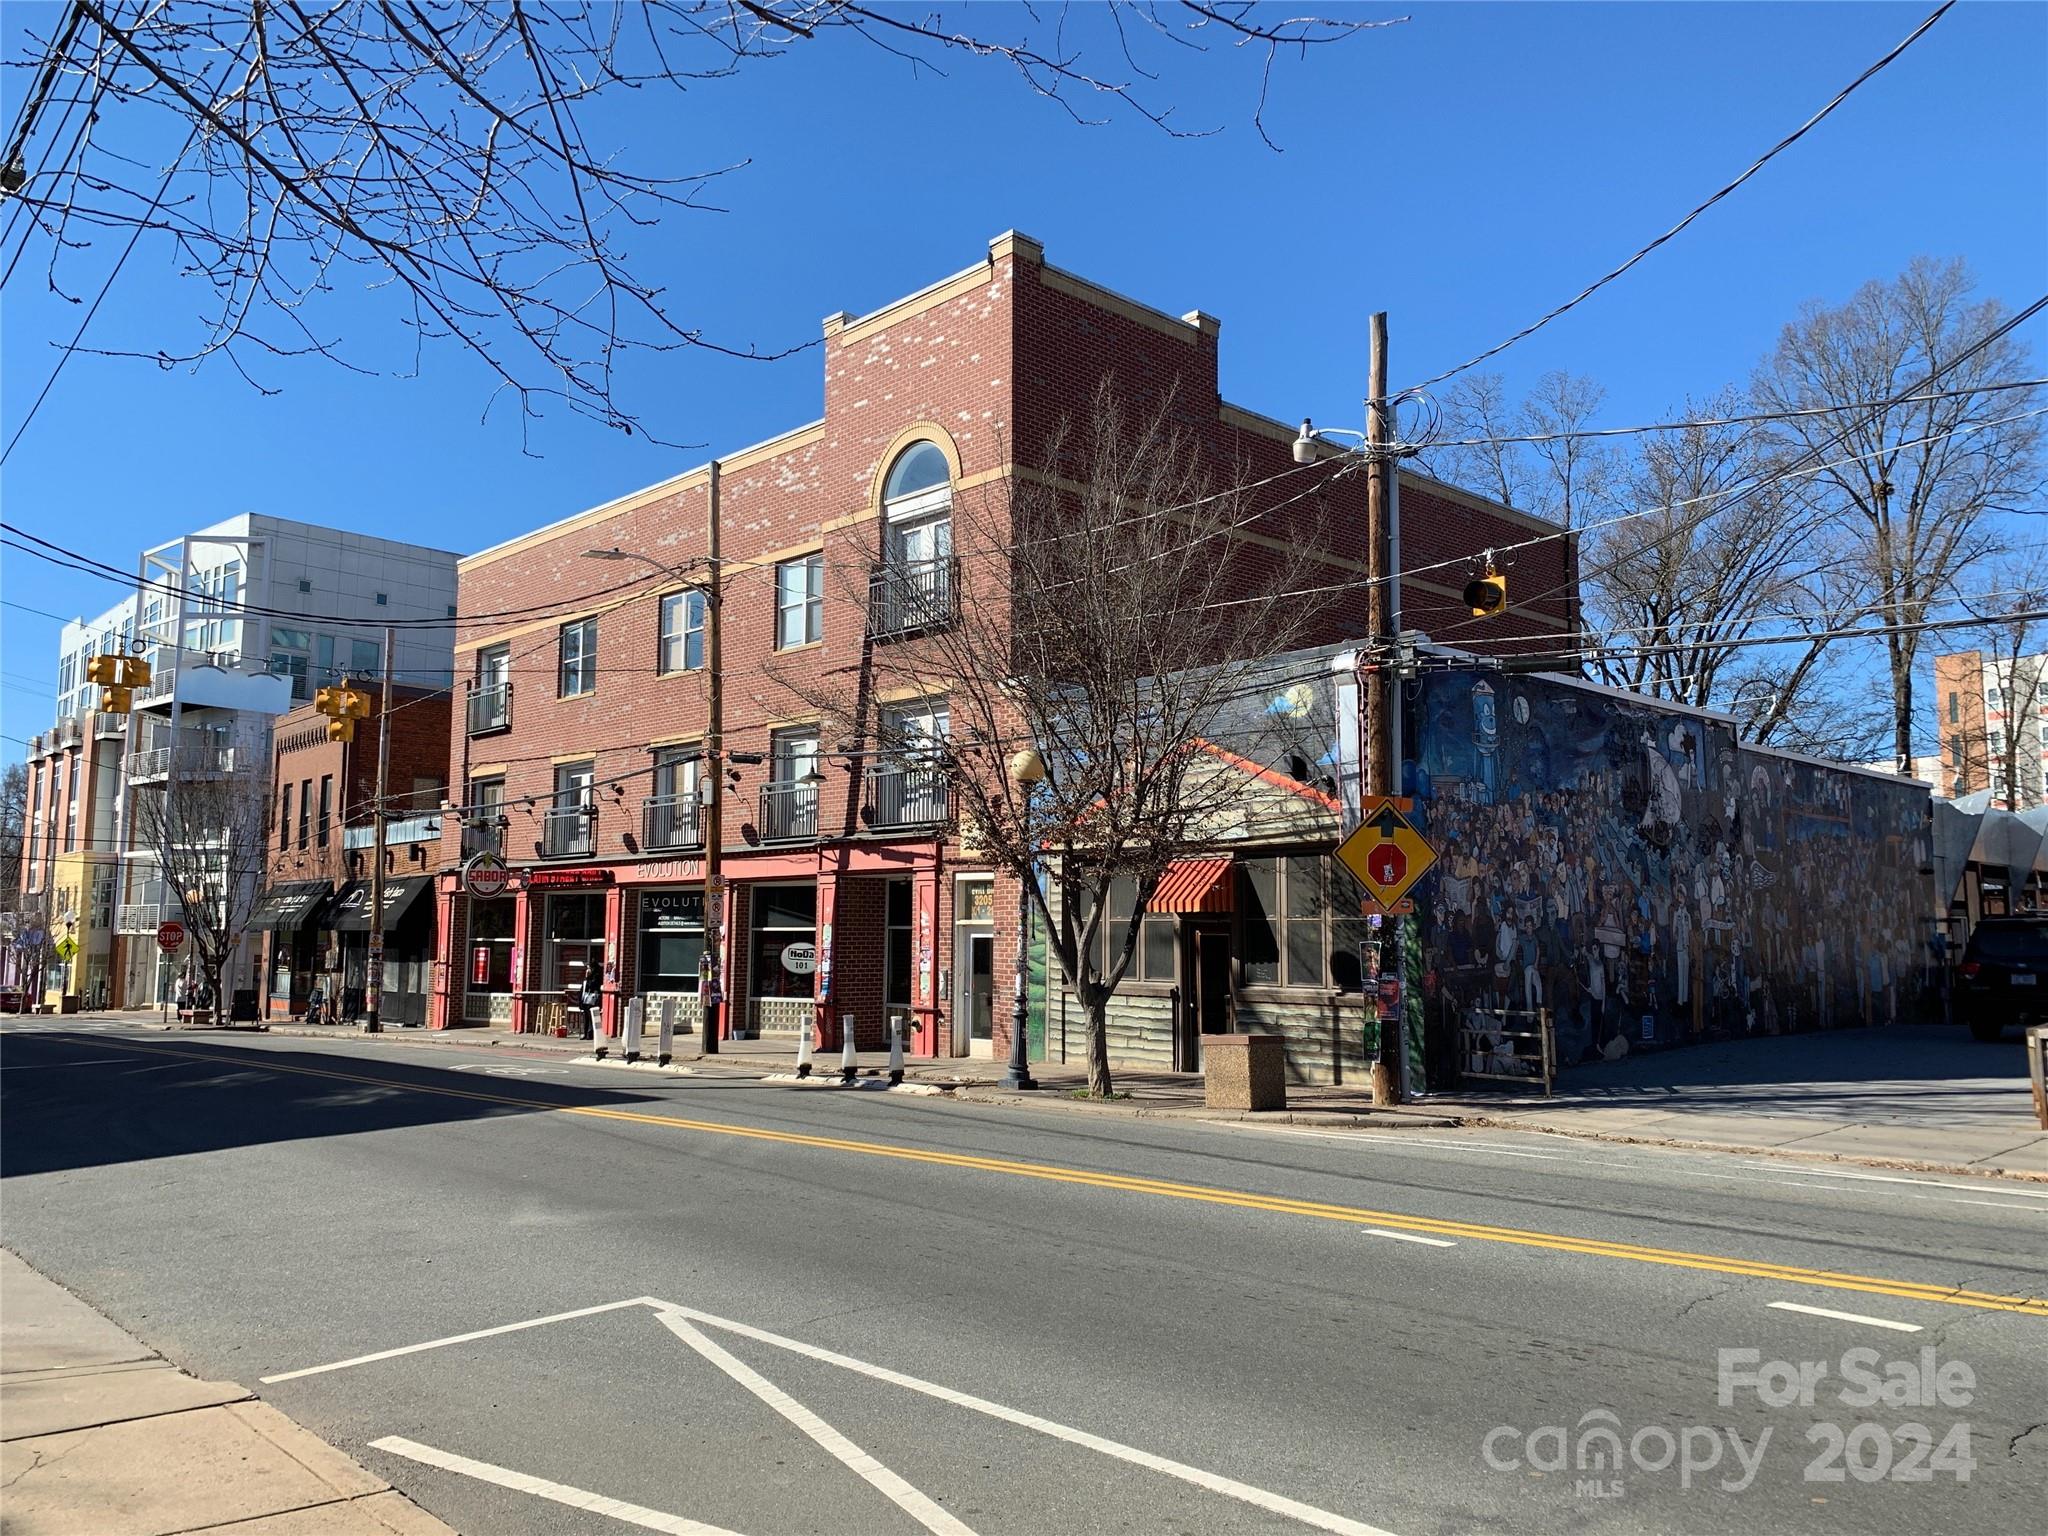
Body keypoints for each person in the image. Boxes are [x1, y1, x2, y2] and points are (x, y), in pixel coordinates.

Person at [575, 967, 602, 1040]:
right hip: (585, 1001)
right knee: (586, 1019)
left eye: (588, 972)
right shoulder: (585, 981)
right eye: (586, 973)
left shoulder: (594, 980)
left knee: (590, 1019)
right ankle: (585, 1033)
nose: (586, 974)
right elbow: (582, 991)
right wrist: (580, 1001)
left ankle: (590, 1034)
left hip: (591, 1002)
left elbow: (593, 988)